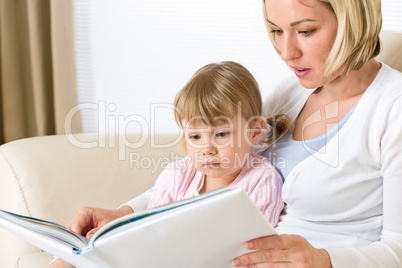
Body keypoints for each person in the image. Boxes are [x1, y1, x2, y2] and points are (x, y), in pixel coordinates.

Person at [51, 0, 402, 267]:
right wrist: (126, 212)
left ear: (353, 20)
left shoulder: (392, 108)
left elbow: (397, 249)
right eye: (276, 31)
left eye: (306, 31)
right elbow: (213, 172)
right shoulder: (290, 93)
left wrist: (324, 259)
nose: (286, 52)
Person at [48, 61, 286, 267]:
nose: (207, 149)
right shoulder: (178, 175)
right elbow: (150, 233)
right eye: (195, 137)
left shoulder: (261, 179)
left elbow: (255, 250)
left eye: (221, 134)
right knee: (72, 257)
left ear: (254, 131)